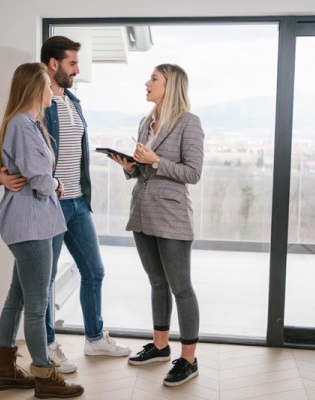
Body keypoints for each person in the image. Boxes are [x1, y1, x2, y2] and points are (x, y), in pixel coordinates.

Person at [0, 36, 131, 374]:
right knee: (43, 283)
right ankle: (48, 348)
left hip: (76, 203)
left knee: (93, 270)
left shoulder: (73, 102)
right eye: (72, 63)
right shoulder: (33, 110)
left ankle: (95, 338)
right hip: (45, 206)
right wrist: (0, 175)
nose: (77, 70)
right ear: (53, 64)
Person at [0, 62, 84, 398]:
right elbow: (40, 178)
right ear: (34, 88)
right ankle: (45, 377)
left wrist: (47, 180)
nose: (52, 90)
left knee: (17, 297)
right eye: (47, 84)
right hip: (31, 225)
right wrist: (56, 181)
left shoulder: (26, 123)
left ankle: (4, 371)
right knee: (36, 303)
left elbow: (32, 173)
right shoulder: (23, 125)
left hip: (30, 223)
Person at [109, 64, 204, 387]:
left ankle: (188, 360)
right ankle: (161, 347)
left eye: (154, 79)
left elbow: (192, 173)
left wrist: (155, 161)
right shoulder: (145, 122)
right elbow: (143, 171)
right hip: (143, 213)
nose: (146, 83)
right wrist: (130, 167)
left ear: (171, 85)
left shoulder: (188, 123)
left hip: (172, 217)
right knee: (156, 283)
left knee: (181, 288)